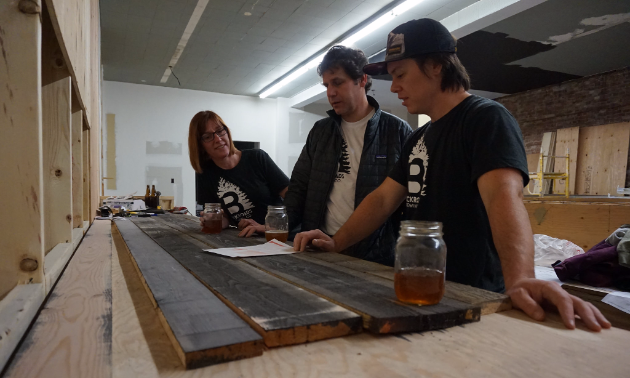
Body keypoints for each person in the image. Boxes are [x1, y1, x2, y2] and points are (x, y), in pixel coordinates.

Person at [293, 19, 610, 331]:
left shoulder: (485, 119)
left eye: (400, 74)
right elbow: (381, 200)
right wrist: (336, 243)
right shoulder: (419, 137)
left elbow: (504, 196)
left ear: (434, 66)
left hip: (477, 295)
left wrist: (522, 279)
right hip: (427, 289)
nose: (395, 86)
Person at [283, 45, 412, 266]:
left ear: (362, 80)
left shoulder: (398, 132)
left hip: (374, 254)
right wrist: (275, 228)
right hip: (319, 245)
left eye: (338, 82)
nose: (330, 92)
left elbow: (406, 203)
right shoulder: (321, 131)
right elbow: (298, 189)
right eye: (326, 85)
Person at [188, 111, 289, 237]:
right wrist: (217, 221)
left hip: (278, 237)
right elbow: (224, 216)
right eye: (208, 137)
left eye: (220, 131)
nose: (218, 139)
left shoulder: (257, 158)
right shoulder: (206, 174)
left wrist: (266, 227)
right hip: (246, 240)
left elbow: (294, 198)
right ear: (199, 145)